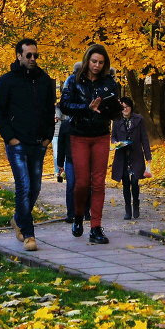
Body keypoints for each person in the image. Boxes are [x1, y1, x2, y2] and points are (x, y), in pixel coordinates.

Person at [0, 39, 56, 252]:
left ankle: (18, 218)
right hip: (17, 143)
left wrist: (48, 137)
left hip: (38, 143)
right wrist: (10, 137)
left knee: (35, 187)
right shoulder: (7, 81)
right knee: (24, 186)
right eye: (28, 55)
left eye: (35, 55)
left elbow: (49, 111)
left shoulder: (45, 80)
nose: (33, 59)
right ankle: (29, 235)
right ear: (18, 55)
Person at [59, 43, 122, 245]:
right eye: (94, 61)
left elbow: (115, 113)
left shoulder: (110, 83)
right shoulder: (73, 80)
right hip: (79, 135)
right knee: (82, 183)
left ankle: (96, 227)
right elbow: (65, 106)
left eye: (101, 63)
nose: (97, 65)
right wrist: (87, 108)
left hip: (101, 135)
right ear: (87, 61)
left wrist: (114, 109)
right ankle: (78, 216)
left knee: (98, 183)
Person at [111, 97, 152, 220]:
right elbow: (113, 137)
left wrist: (148, 156)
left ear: (131, 107)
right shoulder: (117, 120)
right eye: (123, 107)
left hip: (136, 155)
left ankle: (136, 205)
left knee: (134, 182)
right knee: (125, 183)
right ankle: (127, 209)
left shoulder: (138, 120)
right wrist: (116, 143)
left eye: (127, 106)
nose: (125, 109)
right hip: (122, 156)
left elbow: (144, 139)